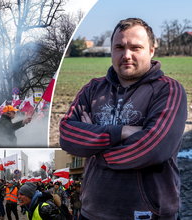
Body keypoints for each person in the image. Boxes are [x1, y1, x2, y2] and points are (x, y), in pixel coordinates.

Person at [59, 18, 187, 220]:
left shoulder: (168, 90)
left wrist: (95, 148)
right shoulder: (92, 89)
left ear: (151, 50)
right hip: (91, 213)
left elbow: (151, 148)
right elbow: (67, 135)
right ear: (111, 50)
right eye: (119, 47)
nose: (126, 55)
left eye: (136, 47)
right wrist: (122, 132)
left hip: (146, 214)